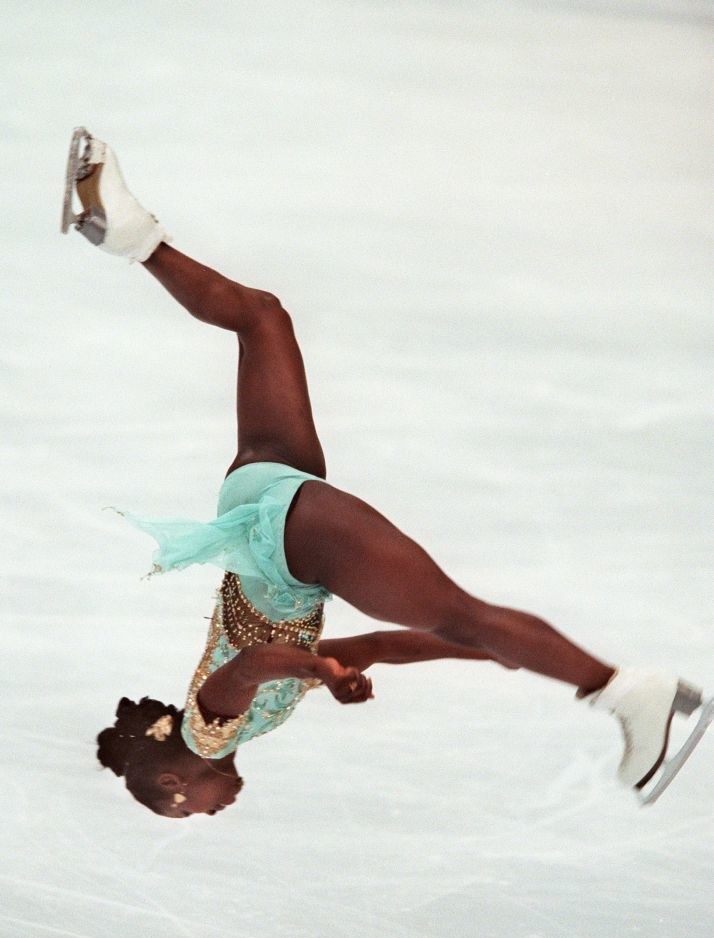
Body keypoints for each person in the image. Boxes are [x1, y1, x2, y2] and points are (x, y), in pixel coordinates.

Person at [62, 128, 704, 818]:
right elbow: (376, 646)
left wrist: (320, 670)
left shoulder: (207, 729)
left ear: (173, 782)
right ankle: (125, 232)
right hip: (259, 496)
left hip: (288, 546)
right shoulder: (262, 717)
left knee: (465, 614)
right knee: (261, 318)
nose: (209, 812)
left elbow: (248, 668)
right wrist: (477, 655)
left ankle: (624, 691)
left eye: (186, 811)